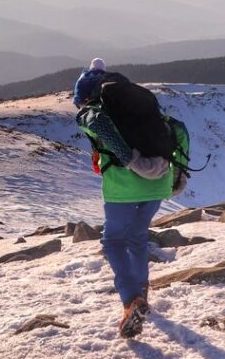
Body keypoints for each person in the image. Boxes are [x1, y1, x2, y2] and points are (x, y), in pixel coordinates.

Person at [75, 80, 187, 339]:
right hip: (158, 185)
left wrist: (129, 159)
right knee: (137, 237)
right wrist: (178, 173)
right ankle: (142, 293)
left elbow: (97, 125)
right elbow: (179, 129)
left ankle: (131, 300)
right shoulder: (144, 112)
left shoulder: (93, 112)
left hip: (122, 189)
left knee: (113, 241)